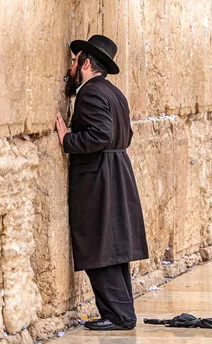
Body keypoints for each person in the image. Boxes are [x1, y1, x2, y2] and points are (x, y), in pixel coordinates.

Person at [55, 35, 149, 331]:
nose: (70, 67)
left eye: (74, 61)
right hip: (116, 171)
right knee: (112, 245)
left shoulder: (92, 92)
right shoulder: (113, 92)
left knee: (100, 245)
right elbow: (125, 136)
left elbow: (101, 134)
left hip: (99, 177)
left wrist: (68, 139)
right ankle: (121, 312)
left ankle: (120, 316)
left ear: (85, 63)